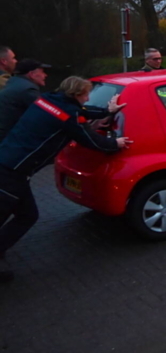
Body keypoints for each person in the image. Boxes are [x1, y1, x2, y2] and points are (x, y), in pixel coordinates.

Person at [0, 76, 132, 281]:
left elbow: (82, 113)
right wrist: (116, 143)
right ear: (75, 94)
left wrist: (108, 111)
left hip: (11, 164)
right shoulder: (67, 115)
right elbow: (91, 140)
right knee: (19, 215)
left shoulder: (48, 100)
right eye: (86, 94)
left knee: (28, 215)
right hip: (10, 172)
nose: (88, 97)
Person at [0, 59, 52, 144]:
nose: (45, 75)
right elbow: (47, 113)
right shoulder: (28, 90)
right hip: (7, 140)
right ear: (32, 74)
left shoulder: (13, 82)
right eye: (42, 72)